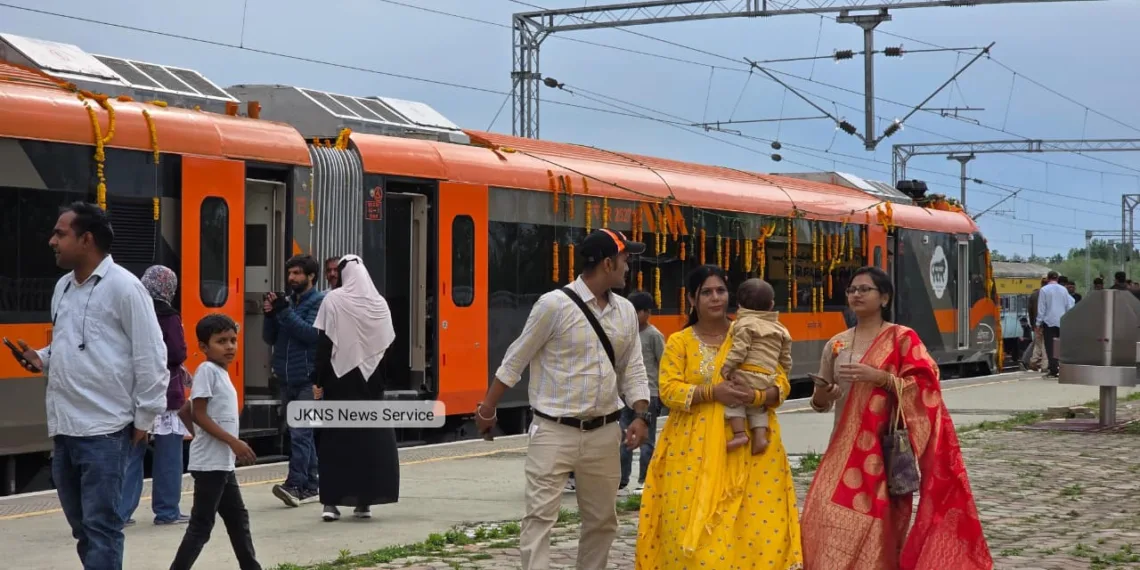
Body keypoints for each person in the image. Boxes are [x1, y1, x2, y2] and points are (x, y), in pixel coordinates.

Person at [475, 228, 652, 570]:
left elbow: (634, 368)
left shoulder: (626, 311)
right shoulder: (553, 305)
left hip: (604, 431)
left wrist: (642, 415)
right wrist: (487, 407)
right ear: (606, 263)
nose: (628, 267)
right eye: (624, 259)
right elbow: (517, 358)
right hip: (553, 430)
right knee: (540, 518)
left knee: (603, 521)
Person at [9, 202, 168, 570]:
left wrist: (144, 420)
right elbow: (72, 342)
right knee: (84, 529)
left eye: (60, 234)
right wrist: (42, 357)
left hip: (106, 431)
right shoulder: (63, 287)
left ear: (87, 239)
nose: (52, 241)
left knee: (102, 528)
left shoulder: (126, 288)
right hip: (65, 428)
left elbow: (151, 356)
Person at [802, 266, 992, 569]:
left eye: (865, 289)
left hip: (883, 450)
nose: (856, 295)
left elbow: (925, 387)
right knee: (822, 514)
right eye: (852, 290)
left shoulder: (902, 338)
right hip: (842, 447)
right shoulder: (836, 344)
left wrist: (880, 377)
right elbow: (820, 403)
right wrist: (824, 392)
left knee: (881, 522)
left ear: (884, 298)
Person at [636, 264, 802, 569]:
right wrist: (714, 393)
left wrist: (755, 397)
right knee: (695, 537)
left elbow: (781, 382)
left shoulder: (751, 332)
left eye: (721, 291)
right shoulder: (680, 342)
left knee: (752, 529)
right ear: (692, 299)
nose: (716, 298)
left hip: (753, 447)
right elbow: (669, 390)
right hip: (693, 450)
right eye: (707, 292)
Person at [310, 255, 401, 521]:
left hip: (339, 382)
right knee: (368, 444)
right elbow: (389, 345)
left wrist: (317, 379)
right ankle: (365, 502)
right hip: (371, 385)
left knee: (335, 442)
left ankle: (331, 503)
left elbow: (324, 344)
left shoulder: (333, 301)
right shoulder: (380, 304)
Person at [170, 314, 261, 570]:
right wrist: (234, 442)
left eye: (233, 340)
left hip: (221, 462)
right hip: (212, 464)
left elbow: (185, 412)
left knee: (237, 519)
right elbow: (198, 412)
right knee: (201, 526)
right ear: (203, 347)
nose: (230, 346)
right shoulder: (207, 371)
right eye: (221, 341)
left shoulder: (219, 373)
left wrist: (202, 438)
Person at [120, 265, 191, 526]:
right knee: (169, 456)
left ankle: (121, 512)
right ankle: (167, 511)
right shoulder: (168, 316)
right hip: (166, 392)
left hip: (135, 392)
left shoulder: (133, 311)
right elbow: (177, 353)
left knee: (132, 455)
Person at [264, 254, 325, 507]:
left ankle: (294, 485)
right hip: (287, 378)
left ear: (311, 276)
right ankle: (312, 485)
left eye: (298, 273)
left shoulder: (321, 301)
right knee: (301, 434)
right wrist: (270, 315)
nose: (292, 278)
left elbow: (311, 335)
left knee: (300, 433)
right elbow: (270, 338)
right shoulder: (287, 303)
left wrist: (284, 312)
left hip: (309, 378)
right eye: (290, 273)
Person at [719, 278, 792, 455]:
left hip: (747, 373)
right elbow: (786, 359)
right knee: (758, 408)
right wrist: (782, 374)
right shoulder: (781, 329)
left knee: (734, 401)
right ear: (772, 304)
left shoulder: (743, 324)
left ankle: (740, 434)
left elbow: (740, 349)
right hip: (767, 376)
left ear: (739, 305)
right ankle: (760, 436)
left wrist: (727, 366)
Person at [619, 291, 665, 493]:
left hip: (650, 394)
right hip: (626, 395)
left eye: (636, 312)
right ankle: (622, 479)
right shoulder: (627, 334)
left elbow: (664, 364)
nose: (633, 316)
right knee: (623, 438)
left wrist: (662, 393)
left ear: (647, 312)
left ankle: (644, 480)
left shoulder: (654, 335)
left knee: (647, 440)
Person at [1036, 271, 1073, 378]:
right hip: (1062, 321)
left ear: (1048, 279)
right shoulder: (1064, 289)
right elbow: (1069, 305)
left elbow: (1041, 308)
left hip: (1049, 322)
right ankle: (1062, 367)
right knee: (1061, 345)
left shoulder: (1044, 290)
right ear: (1057, 279)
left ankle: (1053, 369)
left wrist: (1038, 323)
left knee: (1050, 346)